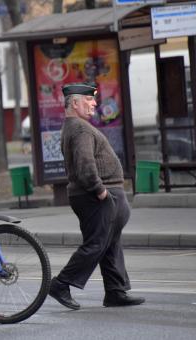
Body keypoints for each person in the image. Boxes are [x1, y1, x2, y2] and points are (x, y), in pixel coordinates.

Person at [49, 82, 145, 309]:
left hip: (100, 194)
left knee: (109, 243)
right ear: (74, 103)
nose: (94, 104)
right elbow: (85, 164)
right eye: (89, 99)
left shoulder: (77, 126)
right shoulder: (80, 128)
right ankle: (61, 284)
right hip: (96, 195)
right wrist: (100, 190)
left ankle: (115, 291)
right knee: (96, 244)